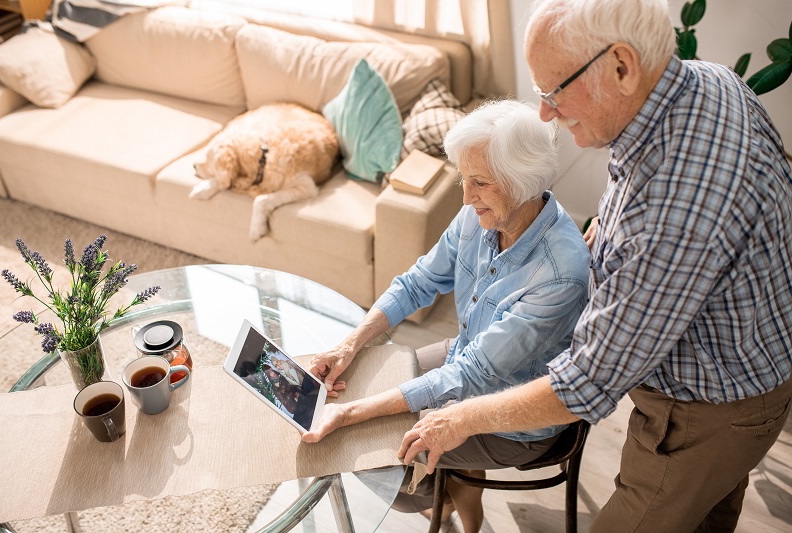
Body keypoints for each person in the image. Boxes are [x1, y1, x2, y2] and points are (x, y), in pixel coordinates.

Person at [398, 1, 792, 531]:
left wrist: (461, 418)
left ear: (621, 67)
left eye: (553, 90)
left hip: (709, 407)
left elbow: (585, 384)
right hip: (752, 361)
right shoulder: (705, 82)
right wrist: (608, 238)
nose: (544, 112)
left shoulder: (674, 207)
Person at [303, 99, 590, 532]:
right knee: (355, 388)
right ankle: (462, 504)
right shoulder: (480, 214)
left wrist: (353, 417)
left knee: (361, 446)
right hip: (465, 362)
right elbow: (418, 282)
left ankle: (444, 500)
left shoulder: (559, 274)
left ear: (523, 181)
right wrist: (351, 343)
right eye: (464, 179)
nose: (466, 196)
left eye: (480, 183)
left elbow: (469, 377)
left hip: (518, 420)